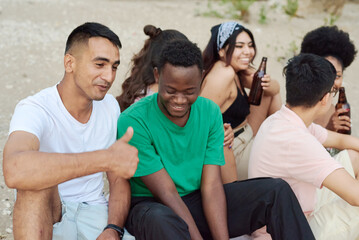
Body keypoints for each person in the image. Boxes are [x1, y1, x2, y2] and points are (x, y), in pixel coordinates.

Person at [117, 39, 315, 240]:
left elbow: (211, 186)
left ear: (201, 79)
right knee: (161, 220)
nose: (179, 100)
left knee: (276, 191)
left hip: (195, 200)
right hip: (152, 205)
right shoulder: (133, 121)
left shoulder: (210, 112)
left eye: (189, 91)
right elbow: (167, 193)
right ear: (158, 75)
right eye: (170, 90)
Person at [2, 22, 139, 240]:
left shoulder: (110, 106)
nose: (109, 76)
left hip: (95, 213)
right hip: (50, 213)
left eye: (114, 66)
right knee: (33, 184)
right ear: (69, 63)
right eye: (100, 64)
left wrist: (113, 228)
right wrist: (104, 158)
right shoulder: (35, 108)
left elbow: (117, 180)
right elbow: (14, 170)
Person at [249, 53, 359, 240]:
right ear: (325, 99)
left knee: (354, 157)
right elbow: (355, 196)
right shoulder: (298, 141)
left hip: (295, 209)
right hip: (287, 231)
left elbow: (342, 141)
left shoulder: (284, 119)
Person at [117, 24, 234, 183]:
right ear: (159, 70)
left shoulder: (139, 88)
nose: (179, 98)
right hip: (163, 175)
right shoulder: (145, 106)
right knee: (222, 145)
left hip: (183, 169)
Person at [200, 21, 281, 181]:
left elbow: (275, 89)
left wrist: (266, 83)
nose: (248, 51)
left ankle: (280, 138)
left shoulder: (237, 69)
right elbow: (199, 120)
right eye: (239, 46)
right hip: (234, 148)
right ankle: (279, 144)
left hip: (247, 131)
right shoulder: (224, 74)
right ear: (222, 51)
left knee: (268, 93)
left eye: (250, 45)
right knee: (281, 160)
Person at [300, 25, 357, 132]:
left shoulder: (333, 110)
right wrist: (329, 129)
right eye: (326, 74)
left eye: (337, 76)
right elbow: (301, 145)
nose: (331, 82)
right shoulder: (301, 107)